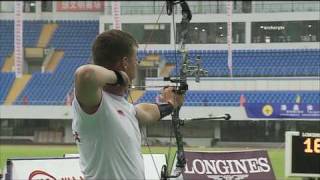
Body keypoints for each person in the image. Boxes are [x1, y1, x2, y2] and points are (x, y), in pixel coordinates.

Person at [72, 29, 184, 180]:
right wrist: (118, 77)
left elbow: (146, 113)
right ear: (125, 63)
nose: (136, 65)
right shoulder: (95, 104)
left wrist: (171, 104)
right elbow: (85, 74)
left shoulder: (124, 106)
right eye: (135, 60)